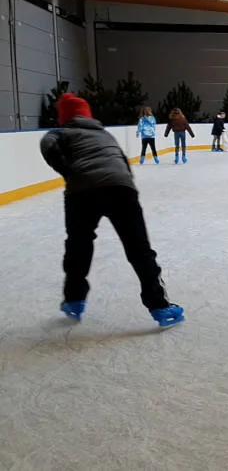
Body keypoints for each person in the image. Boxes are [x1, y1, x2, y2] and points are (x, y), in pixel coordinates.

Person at [39, 93, 184, 328]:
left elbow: (48, 146)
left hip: (81, 192)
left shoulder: (60, 133)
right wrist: (126, 187)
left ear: (63, 117)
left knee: (79, 244)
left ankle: (74, 300)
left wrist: (69, 173)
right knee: (140, 249)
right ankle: (160, 306)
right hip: (121, 189)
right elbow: (123, 162)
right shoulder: (105, 134)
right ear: (88, 115)